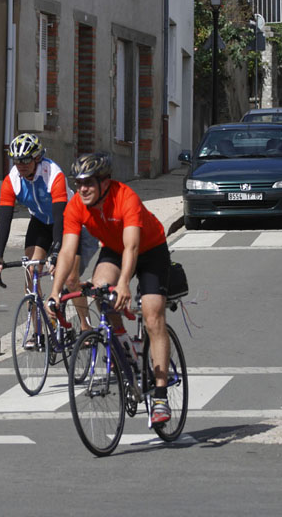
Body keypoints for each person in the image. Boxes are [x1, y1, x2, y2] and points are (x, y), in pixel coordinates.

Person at [44, 152, 174, 425]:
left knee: (152, 316)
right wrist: (55, 292)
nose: (83, 189)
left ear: (105, 182)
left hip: (149, 250)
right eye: (78, 183)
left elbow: (132, 247)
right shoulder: (76, 205)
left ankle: (161, 396)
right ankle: (122, 343)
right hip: (114, 249)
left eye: (89, 182)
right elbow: (67, 251)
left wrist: (124, 283)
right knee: (99, 290)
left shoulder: (125, 197)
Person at [0, 133, 97, 346]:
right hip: (40, 222)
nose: (20, 165)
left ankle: (86, 327)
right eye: (16, 160)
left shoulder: (53, 174)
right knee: (31, 272)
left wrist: (56, 252)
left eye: (25, 160)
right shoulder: (12, 180)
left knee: (70, 278)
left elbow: (60, 216)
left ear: (37, 158)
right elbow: (5, 220)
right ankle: (38, 332)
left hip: (67, 220)